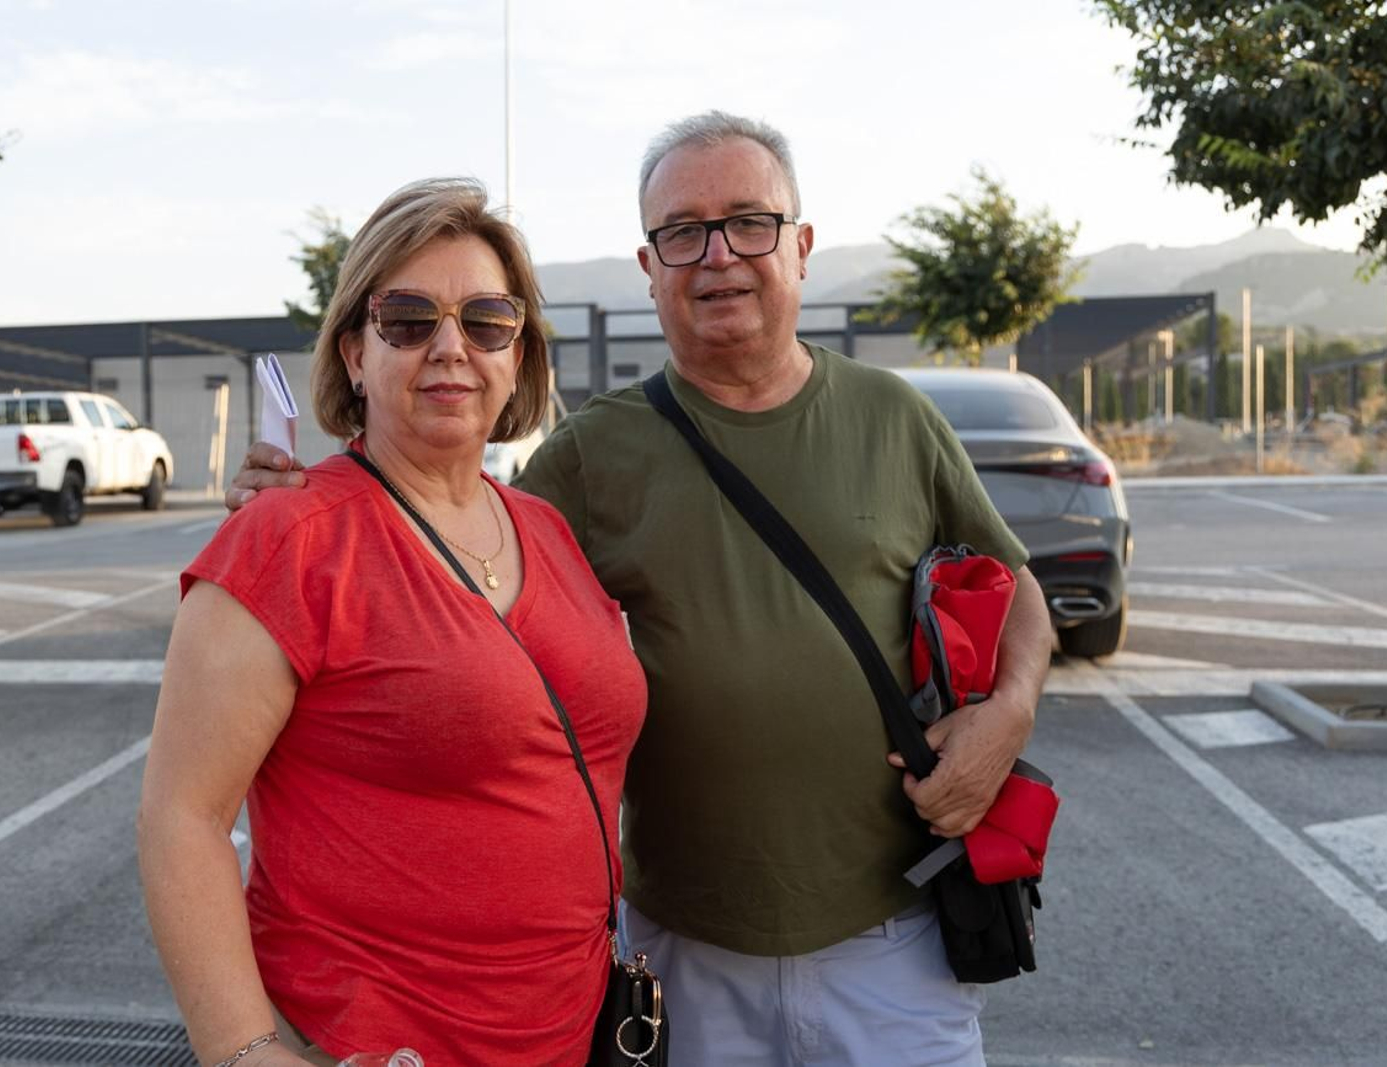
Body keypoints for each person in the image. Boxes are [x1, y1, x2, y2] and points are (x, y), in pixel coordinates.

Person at [229, 112, 1054, 1066]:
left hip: (893, 938)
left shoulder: (895, 416)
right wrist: (294, 509)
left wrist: (1010, 715)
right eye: (683, 232)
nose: (718, 255)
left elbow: (1022, 593)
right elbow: (430, 526)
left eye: (749, 222)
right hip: (681, 953)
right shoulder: (591, 454)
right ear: (649, 266)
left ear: (801, 247)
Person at [139, 177, 647, 1067]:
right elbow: (181, 816)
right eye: (408, 320)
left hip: (575, 1035)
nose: (451, 347)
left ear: (518, 355)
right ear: (353, 354)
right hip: (372, 1044)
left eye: (487, 321)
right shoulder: (288, 537)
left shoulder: (547, 529)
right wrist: (246, 1050)